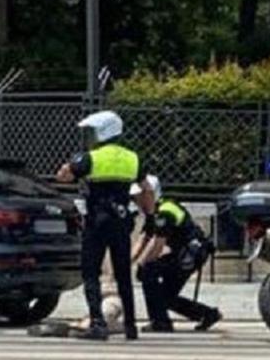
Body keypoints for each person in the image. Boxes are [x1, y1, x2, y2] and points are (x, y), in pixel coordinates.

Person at [56, 110, 154, 341]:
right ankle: (130, 326)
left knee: (90, 272)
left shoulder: (91, 157)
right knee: (123, 274)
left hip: (97, 220)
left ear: (102, 132)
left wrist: (69, 165)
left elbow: (64, 176)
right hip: (122, 221)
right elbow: (147, 189)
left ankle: (98, 324)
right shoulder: (133, 158)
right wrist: (149, 215)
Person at [132, 175, 222, 333]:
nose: (135, 201)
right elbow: (143, 240)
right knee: (165, 297)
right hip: (185, 254)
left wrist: (142, 264)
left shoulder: (166, 211)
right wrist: (125, 265)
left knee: (148, 271)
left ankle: (160, 322)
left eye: (138, 197)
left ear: (151, 194)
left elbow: (157, 246)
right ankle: (208, 314)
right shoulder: (153, 214)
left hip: (191, 254)